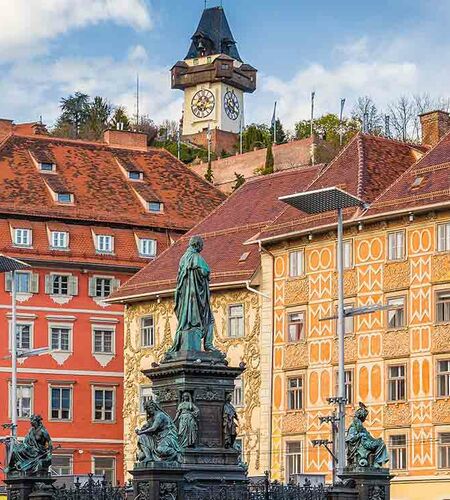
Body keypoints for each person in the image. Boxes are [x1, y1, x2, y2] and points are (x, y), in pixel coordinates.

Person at [166, 236, 223, 356]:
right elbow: (205, 271)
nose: (202, 248)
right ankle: (208, 345)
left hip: (186, 297)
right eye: (201, 245)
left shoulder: (183, 258)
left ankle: (205, 344)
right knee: (209, 319)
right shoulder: (196, 257)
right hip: (196, 297)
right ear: (197, 245)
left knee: (191, 321)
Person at [346, 402, 389, 468]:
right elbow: (350, 438)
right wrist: (360, 435)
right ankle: (376, 462)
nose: (365, 418)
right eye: (365, 416)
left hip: (366, 443)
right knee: (380, 444)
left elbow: (369, 437)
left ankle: (376, 462)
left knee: (381, 442)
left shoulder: (360, 426)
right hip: (361, 447)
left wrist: (375, 440)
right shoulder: (353, 427)